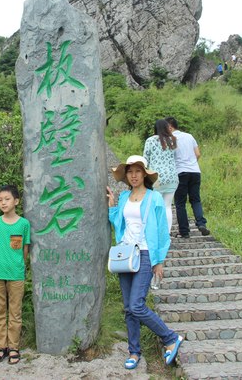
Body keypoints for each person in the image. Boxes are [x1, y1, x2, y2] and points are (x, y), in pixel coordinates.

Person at [106, 155, 184, 370]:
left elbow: (160, 231)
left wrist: (159, 260)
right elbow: (118, 223)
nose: (133, 175)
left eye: (137, 171)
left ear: (144, 174)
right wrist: (112, 205)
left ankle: (170, 338)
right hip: (126, 254)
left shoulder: (154, 198)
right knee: (129, 308)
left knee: (137, 305)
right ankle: (134, 351)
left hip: (146, 254)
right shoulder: (124, 197)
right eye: (130, 171)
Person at [0, 184, 31, 366]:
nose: (3, 203)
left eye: (7, 199)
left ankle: (13, 347)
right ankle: (1, 347)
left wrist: (19, 265)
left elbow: (25, 249)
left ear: (16, 201)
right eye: (0, 200)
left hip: (16, 274)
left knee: (15, 311)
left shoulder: (23, 224)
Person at [165, 117, 210, 238]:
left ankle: (184, 232)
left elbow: (169, 158)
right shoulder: (189, 136)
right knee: (195, 199)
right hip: (195, 171)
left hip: (180, 172)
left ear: (170, 127)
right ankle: (201, 224)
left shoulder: (170, 139)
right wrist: (191, 164)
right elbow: (198, 154)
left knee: (180, 203)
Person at [142, 119, 178, 233]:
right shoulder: (173, 140)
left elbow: (145, 159)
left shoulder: (150, 140)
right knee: (167, 206)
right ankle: (166, 234)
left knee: (155, 206)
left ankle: (156, 232)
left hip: (156, 177)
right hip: (172, 176)